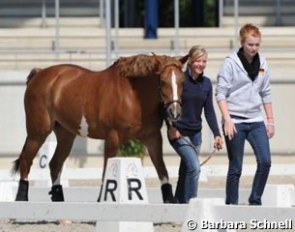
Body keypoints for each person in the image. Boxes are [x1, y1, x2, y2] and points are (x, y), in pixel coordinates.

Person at [215, 23, 275, 205]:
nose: (254, 48)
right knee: (236, 167)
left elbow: (266, 92)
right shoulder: (230, 63)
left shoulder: (263, 63)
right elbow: (221, 94)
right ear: (242, 42)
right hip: (234, 120)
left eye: (257, 44)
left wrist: (270, 120)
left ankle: (255, 200)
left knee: (265, 162)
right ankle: (231, 205)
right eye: (250, 44)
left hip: (256, 120)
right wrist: (227, 119)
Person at [167, 45, 223, 204]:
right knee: (194, 168)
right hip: (178, 134)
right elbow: (167, 105)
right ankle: (192, 206)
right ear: (190, 61)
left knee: (186, 171)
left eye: (204, 61)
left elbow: (209, 111)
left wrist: (217, 134)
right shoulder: (180, 80)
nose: (201, 64)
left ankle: (177, 203)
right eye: (198, 60)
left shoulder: (206, 84)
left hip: (196, 135)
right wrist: (172, 126)